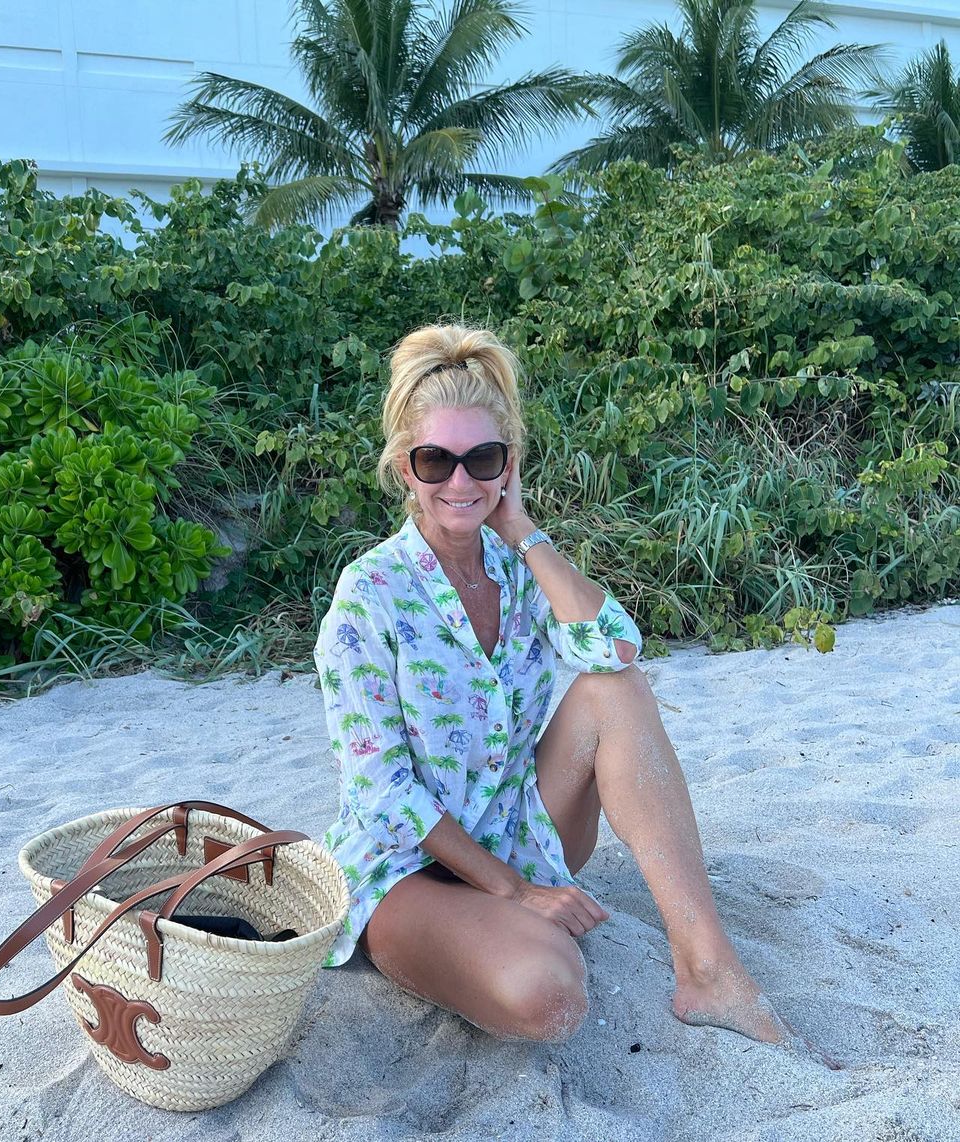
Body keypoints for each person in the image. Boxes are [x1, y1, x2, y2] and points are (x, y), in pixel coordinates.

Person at [312, 323, 807, 1051]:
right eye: (435, 460)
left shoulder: (516, 570)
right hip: (410, 868)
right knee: (547, 995)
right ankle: (488, 927)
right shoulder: (369, 595)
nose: (460, 483)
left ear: (508, 464)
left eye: (482, 459)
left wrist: (524, 533)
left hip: (516, 829)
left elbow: (616, 647)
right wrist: (514, 891)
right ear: (404, 467)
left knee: (616, 689)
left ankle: (709, 968)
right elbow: (380, 793)